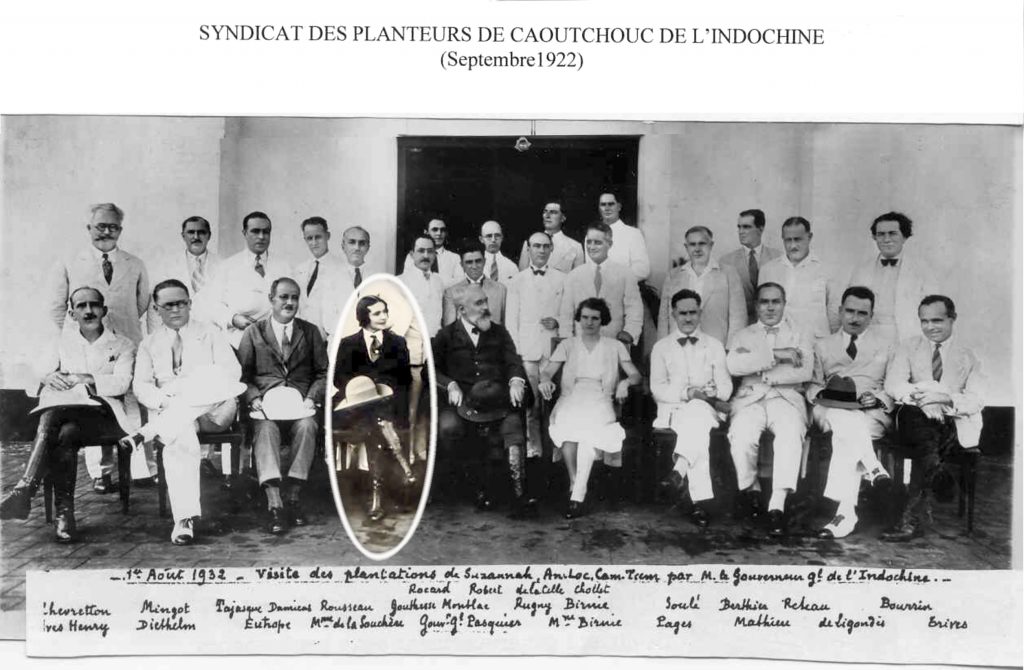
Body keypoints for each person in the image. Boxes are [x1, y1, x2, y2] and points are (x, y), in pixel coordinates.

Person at [0, 287, 137, 543]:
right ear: (72, 314)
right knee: (66, 432)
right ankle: (64, 515)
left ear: (104, 310)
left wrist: (86, 379)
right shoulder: (62, 344)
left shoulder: (123, 344)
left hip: (106, 417)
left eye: (94, 305)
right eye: (81, 306)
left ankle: (26, 489)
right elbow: (38, 374)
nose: (89, 311)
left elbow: (121, 383)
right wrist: (48, 377)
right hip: (69, 420)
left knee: (54, 415)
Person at [120, 279, 243, 545]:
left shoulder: (210, 333)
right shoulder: (149, 344)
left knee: (194, 394)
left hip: (215, 410)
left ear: (190, 303)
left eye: (181, 303)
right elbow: (141, 386)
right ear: (156, 309)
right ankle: (184, 519)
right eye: (168, 305)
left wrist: (193, 388)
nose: (176, 310)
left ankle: (144, 434)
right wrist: (165, 401)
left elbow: (232, 373)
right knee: (180, 433)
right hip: (173, 411)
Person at [45, 202, 151, 490]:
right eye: (101, 226)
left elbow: (142, 303)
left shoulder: (134, 263)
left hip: (125, 340)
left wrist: (120, 327)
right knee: (91, 399)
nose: (107, 232)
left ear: (120, 230)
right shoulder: (69, 262)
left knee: (133, 400)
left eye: (113, 227)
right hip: (86, 343)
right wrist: (79, 334)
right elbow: (57, 307)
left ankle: (140, 469)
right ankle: (100, 473)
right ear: (89, 228)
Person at [881, 295, 983, 542]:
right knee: (918, 423)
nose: (929, 327)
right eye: (924, 321)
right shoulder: (908, 347)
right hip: (916, 416)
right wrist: (925, 398)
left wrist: (944, 399)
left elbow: (977, 398)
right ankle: (935, 474)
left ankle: (910, 519)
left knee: (925, 444)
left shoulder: (969, 354)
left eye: (937, 320)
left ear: (952, 319)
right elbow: (894, 384)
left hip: (952, 424)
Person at [432, 284, 533, 516]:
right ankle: (473, 487)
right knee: (449, 428)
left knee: (513, 427)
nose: (486, 307)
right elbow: (431, 368)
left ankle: (519, 494)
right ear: (461, 310)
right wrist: (450, 384)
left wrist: (516, 381)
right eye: (479, 303)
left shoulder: (499, 332)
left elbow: (513, 361)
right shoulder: (446, 335)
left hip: (496, 398)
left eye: (486, 301)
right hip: (463, 401)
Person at [238, 277, 328, 535]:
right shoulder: (253, 332)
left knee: (307, 427)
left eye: (294, 298)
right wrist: (254, 399)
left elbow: (323, 373)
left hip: (300, 405)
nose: (289, 303)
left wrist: (311, 398)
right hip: (266, 407)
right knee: (265, 430)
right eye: (284, 297)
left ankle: (294, 497)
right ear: (271, 299)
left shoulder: (310, 332)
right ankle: (274, 502)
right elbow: (242, 376)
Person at [539, 298, 642, 518]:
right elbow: (547, 371)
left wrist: (625, 383)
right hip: (572, 396)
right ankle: (576, 483)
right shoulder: (568, 344)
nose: (589, 322)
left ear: (602, 321)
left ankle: (576, 493)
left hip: (600, 398)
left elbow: (635, 374)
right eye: (585, 317)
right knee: (567, 427)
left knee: (589, 433)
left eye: (595, 318)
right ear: (579, 319)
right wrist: (545, 380)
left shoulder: (614, 346)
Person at [806, 286, 894, 539]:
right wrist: (827, 395)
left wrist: (877, 398)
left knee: (850, 434)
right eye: (850, 311)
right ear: (840, 311)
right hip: (830, 410)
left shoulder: (887, 346)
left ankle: (845, 513)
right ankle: (873, 467)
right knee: (846, 421)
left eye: (862, 313)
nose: (855, 318)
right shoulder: (822, 345)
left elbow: (892, 385)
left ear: (871, 315)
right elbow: (812, 385)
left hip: (870, 413)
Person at [726, 282, 814, 537]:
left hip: (786, 398)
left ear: (784, 304)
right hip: (750, 399)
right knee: (742, 436)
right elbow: (734, 366)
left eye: (776, 301)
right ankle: (751, 490)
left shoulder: (800, 334)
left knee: (790, 436)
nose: (770, 307)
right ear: (756, 306)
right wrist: (778, 354)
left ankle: (777, 504)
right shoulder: (743, 335)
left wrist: (759, 366)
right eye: (764, 302)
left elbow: (804, 371)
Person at [649, 289, 733, 528]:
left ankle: (680, 471)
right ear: (673, 314)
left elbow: (725, 386)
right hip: (674, 410)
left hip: (707, 408)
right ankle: (698, 501)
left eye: (692, 313)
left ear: (700, 313)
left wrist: (713, 394)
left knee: (697, 413)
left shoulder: (714, 345)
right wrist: (686, 393)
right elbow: (657, 388)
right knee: (696, 429)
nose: (688, 318)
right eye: (683, 313)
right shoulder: (661, 347)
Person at [333, 295, 417, 521]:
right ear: (364, 316)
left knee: (378, 424)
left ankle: (378, 496)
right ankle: (396, 480)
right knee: (375, 424)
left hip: (388, 406)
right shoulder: (348, 344)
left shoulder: (397, 342)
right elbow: (339, 379)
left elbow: (405, 381)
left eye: (385, 312)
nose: (383, 317)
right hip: (357, 408)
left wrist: (386, 396)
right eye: (377, 313)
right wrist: (364, 389)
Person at [506, 231, 566, 468]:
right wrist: (517, 353)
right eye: (536, 246)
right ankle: (534, 451)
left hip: (553, 351)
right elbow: (511, 321)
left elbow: (569, 313)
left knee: (555, 401)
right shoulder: (516, 281)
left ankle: (556, 452)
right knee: (531, 405)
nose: (541, 250)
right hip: (527, 351)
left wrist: (558, 322)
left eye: (545, 246)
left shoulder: (563, 279)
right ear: (528, 249)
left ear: (551, 249)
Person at [848, 212, 938, 345]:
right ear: (874, 237)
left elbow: (934, 310)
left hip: (906, 336)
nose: (886, 239)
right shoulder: (861, 270)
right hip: (868, 336)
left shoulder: (922, 270)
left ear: (904, 237)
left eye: (892, 233)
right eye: (881, 234)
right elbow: (850, 306)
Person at [205, 211, 289, 348]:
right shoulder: (228, 266)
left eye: (266, 232)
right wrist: (233, 319)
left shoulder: (284, 267)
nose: (261, 236)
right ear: (244, 233)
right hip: (239, 341)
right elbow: (212, 304)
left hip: (276, 343)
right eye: (255, 231)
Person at [657, 226, 745, 347]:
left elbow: (738, 317)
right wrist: (663, 346)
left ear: (711, 245)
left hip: (715, 347)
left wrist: (731, 349)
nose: (697, 249)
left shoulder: (728, 273)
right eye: (692, 244)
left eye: (702, 243)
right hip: (678, 347)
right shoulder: (673, 275)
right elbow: (664, 317)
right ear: (686, 247)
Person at [559, 222, 643, 347]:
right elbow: (566, 314)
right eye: (589, 242)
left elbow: (634, 309)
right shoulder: (574, 275)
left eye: (597, 242)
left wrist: (629, 333)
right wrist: (567, 342)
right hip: (581, 344)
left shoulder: (625, 274)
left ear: (610, 244)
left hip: (614, 343)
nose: (592, 247)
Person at [759, 216, 840, 340]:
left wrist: (831, 342)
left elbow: (834, 312)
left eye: (798, 239)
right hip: (779, 341)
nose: (793, 245)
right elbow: (762, 310)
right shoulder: (768, 270)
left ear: (809, 237)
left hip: (815, 342)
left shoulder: (826, 269)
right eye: (788, 240)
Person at [146, 215, 220, 331]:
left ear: (209, 235)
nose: (196, 237)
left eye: (201, 232)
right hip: (176, 331)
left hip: (212, 331)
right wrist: (156, 337)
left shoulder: (224, 265)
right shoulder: (167, 266)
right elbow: (154, 306)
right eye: (191, 232)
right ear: (183, 236)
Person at [720, 209, 783, 324]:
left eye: (746, 227)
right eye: (739, 227)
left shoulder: (778, 257)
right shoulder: (726, 261)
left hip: (771, 323)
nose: (741, 232)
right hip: (740, 324)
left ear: (761, 229)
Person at [292, 216, 346, 336]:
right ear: (305, 239)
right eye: (309, 238)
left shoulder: (341, 268)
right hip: (301, 336)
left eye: (318, 237)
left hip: (327, 337)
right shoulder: (299, 270)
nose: (314, 243)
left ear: (328, 236)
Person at [442, 240, 507, 326]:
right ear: (462, 265)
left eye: (478, 261)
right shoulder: (451, 293)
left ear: (484, 261)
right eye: (469, 262)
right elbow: (449, 328)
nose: (474, 266)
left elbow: (506, 325)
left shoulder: (500, 289)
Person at [517, 200, 584, 273]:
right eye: (545, 212)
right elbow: (522, 275)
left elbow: (577, 278)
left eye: (553, 212)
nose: (547, 216)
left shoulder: (575, 247)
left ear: (563, 218)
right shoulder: (529, 242)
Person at [396, 235, 444, 337]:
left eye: (430, 251)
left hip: (436, 341)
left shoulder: (438, 281)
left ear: (434, 254)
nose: (426, 256)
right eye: (421, 251)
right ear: (412, 254)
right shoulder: (400, 282)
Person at [595, 191, 650, 282]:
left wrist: (615, 279)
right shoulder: (591, 235)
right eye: (603, 204)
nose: (607, 208)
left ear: (619, 207)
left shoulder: (633, 234)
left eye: (611, 204)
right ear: (599, 208)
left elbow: (642, 270)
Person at [401, 218, 465, 288]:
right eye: (435, 229)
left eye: (442, 230)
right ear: (426, 232)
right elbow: (409, 280)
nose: (439, 233)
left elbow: (460, 282)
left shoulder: (454, 258)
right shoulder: (414, 256)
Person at [479, 220, 519, 284]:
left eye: (497, 235)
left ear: (502, 238)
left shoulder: (511, 266)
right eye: (489, 236)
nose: (493, 240)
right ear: (481, 239)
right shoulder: (476, 265)